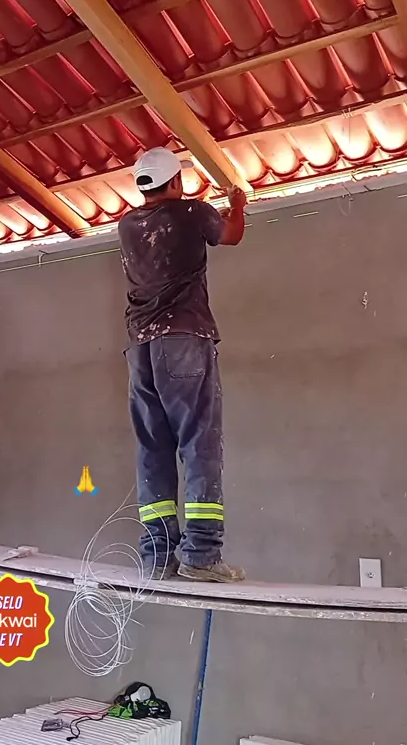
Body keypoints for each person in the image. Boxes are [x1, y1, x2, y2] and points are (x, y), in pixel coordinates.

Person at [118, 147, 247, 583]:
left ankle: (157, 557)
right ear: (175, 181)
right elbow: (231, 234)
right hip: (184, 340)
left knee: (153, 448)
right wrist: (237, 204)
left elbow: (172, 224)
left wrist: (201, 208)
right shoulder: (193, 212)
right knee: (199, 443)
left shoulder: (128, 225)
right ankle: (201, 554)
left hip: (141, 349)